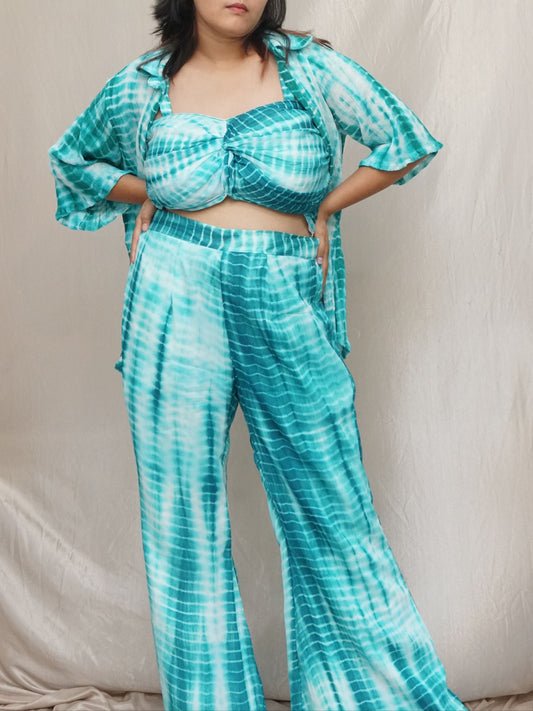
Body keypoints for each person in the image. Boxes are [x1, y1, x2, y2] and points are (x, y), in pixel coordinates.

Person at [48, 2, 468, 710]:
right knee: (179, 513)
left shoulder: (310, 69)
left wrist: (328, 206)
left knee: (334, 506)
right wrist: (152, 190)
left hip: (281, 283)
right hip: (172, 287)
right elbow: (72, 159)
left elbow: (405, 139)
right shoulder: (143, 83)